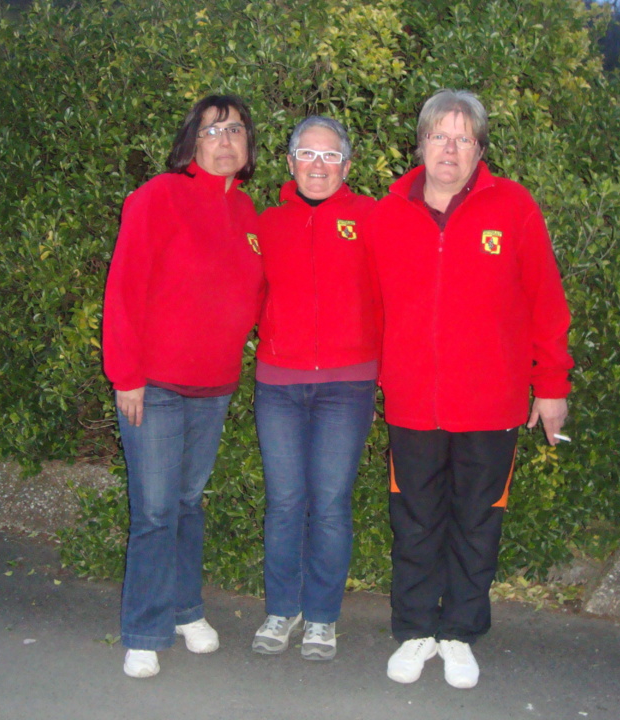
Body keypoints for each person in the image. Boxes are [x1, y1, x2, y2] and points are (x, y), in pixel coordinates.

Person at [364, 90, 573, 689]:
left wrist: (550, 383)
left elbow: (545, 300)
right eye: (438, 136)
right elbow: (373, 307)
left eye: (462, 138)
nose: (448, 149)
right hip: (412, 403)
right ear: (421, 143)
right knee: (416, 521)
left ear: (480, 147)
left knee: (477, 522)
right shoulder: (389, 213)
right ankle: (414, 632)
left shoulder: (512, 207)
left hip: (492, 403)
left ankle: (458, 633)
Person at [102, 95, 264, 679]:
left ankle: (185, 609)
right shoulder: (158, 197)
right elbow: (123, 289)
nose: (226, 140)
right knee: (153, 511)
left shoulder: (248, 214)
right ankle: (144, 630)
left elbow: (260, 298)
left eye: (237, 131)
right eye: (213, 129)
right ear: (192, 141)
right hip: (157, 385)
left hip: (214, 386)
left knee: (188, 503)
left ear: (248, 148)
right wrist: (127, 375)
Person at [250, 116, 378, 661]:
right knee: (284, 502)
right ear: (290, 162)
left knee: (328, 504)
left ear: (347, 166)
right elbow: (245, 295)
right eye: (308, 154)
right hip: (278, 383)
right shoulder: (266, 224)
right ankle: (283, 609)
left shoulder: (372, 218)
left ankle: (322, 617)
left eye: (330, 157)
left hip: (348, 385)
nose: (318, 166)